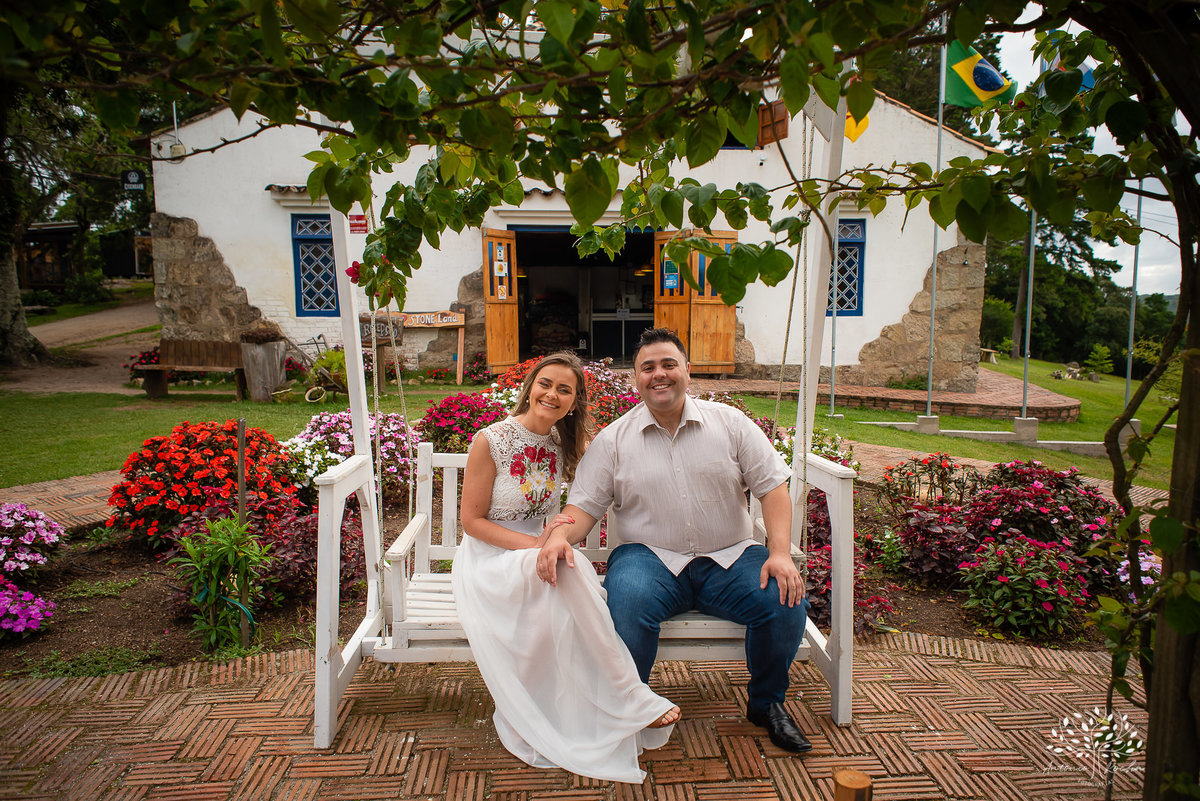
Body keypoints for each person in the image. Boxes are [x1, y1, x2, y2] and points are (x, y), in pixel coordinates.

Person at [536, 329, 812, 753]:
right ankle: (631, 707)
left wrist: (779, 552)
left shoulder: (731, 424)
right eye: (648, 367)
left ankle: (766, 704)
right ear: (636, 379)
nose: (658, 374)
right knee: (625, 601)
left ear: (687, 370)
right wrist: (559, 536)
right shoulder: (613, 441)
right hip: (648, 560)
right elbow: (584, 509)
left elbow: (773, 487)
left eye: (668, 364)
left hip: (730, 557)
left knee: (784, 596)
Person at [451, 351, 680, 784]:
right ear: (530, 387)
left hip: (534, 554)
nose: (552, 395)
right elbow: (472, 523)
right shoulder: (492, 439)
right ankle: (629, 694)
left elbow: (616, 461)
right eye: (545, 384)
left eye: (564, 390)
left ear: (574, 402)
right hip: (490, 560)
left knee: (568, 571)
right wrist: (538, 543)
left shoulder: (561, 442)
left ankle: (592, 701)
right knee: (572, 569)